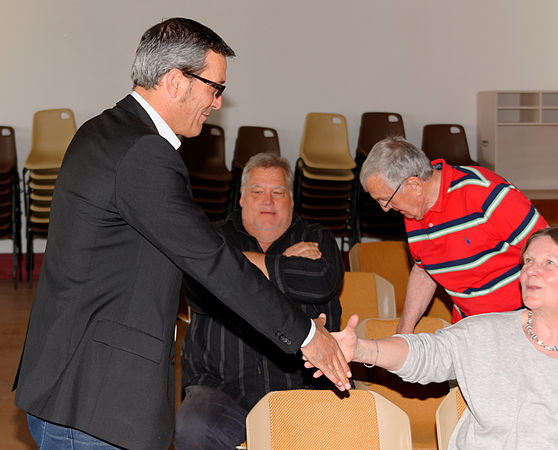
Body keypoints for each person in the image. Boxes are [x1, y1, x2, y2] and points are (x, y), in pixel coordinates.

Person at [13, 18, 350, 450]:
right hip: (93, 397)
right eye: (215, 87)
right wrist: (308, 336)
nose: (217, 102)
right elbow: (210, 260)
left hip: (77, 381)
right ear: (175, 81)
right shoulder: (143, 153)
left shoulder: (106, 130)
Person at [329, 226, 558, 449]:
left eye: (549, 262)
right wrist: (362, 349)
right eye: (528, 261)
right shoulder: (487, 331)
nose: (531, 271)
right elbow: (426, 353)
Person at [174, 153, 344, 449]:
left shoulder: (316, 237)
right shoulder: (212, 238)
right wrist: (284, 265)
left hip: (306, 390)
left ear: (291, 198)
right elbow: (200, 287)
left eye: (278, 192)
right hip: (224, 390)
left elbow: (321, 281)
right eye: (257, 192)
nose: (268, 201)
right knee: (194, 427)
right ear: (241, 199)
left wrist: (237, 267)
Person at [359, 136, 547, 333]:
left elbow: (549, 253)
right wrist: (404, 330)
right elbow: (424, 271)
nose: (385, 209)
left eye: (385, 200)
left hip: (521, 324)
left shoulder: (486, 193)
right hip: (469, 327)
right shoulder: (413, 211)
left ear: (414, 185)